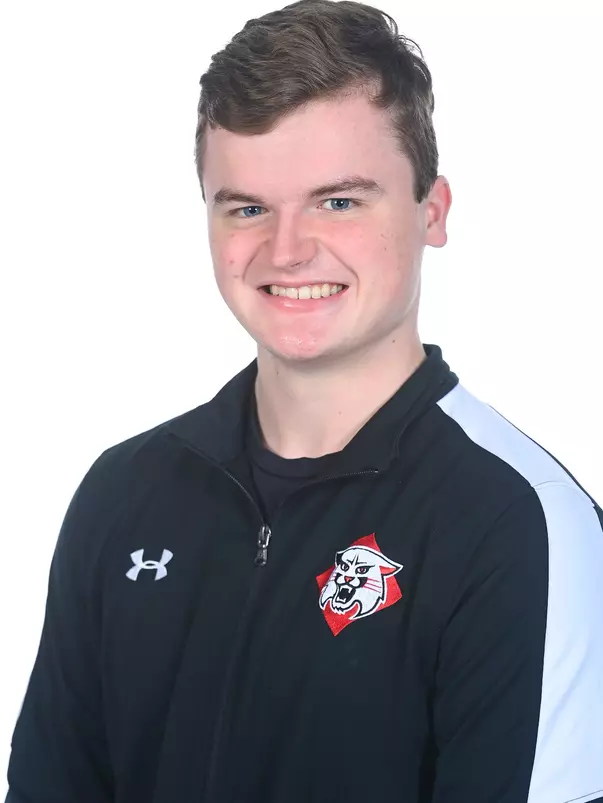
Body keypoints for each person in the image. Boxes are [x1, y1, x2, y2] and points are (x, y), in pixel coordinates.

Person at [5, 0, 603, 801]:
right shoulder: (124, 494)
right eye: (247, 208)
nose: (285, 251)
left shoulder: (521, 522)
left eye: (338, 200)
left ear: (432, 211)